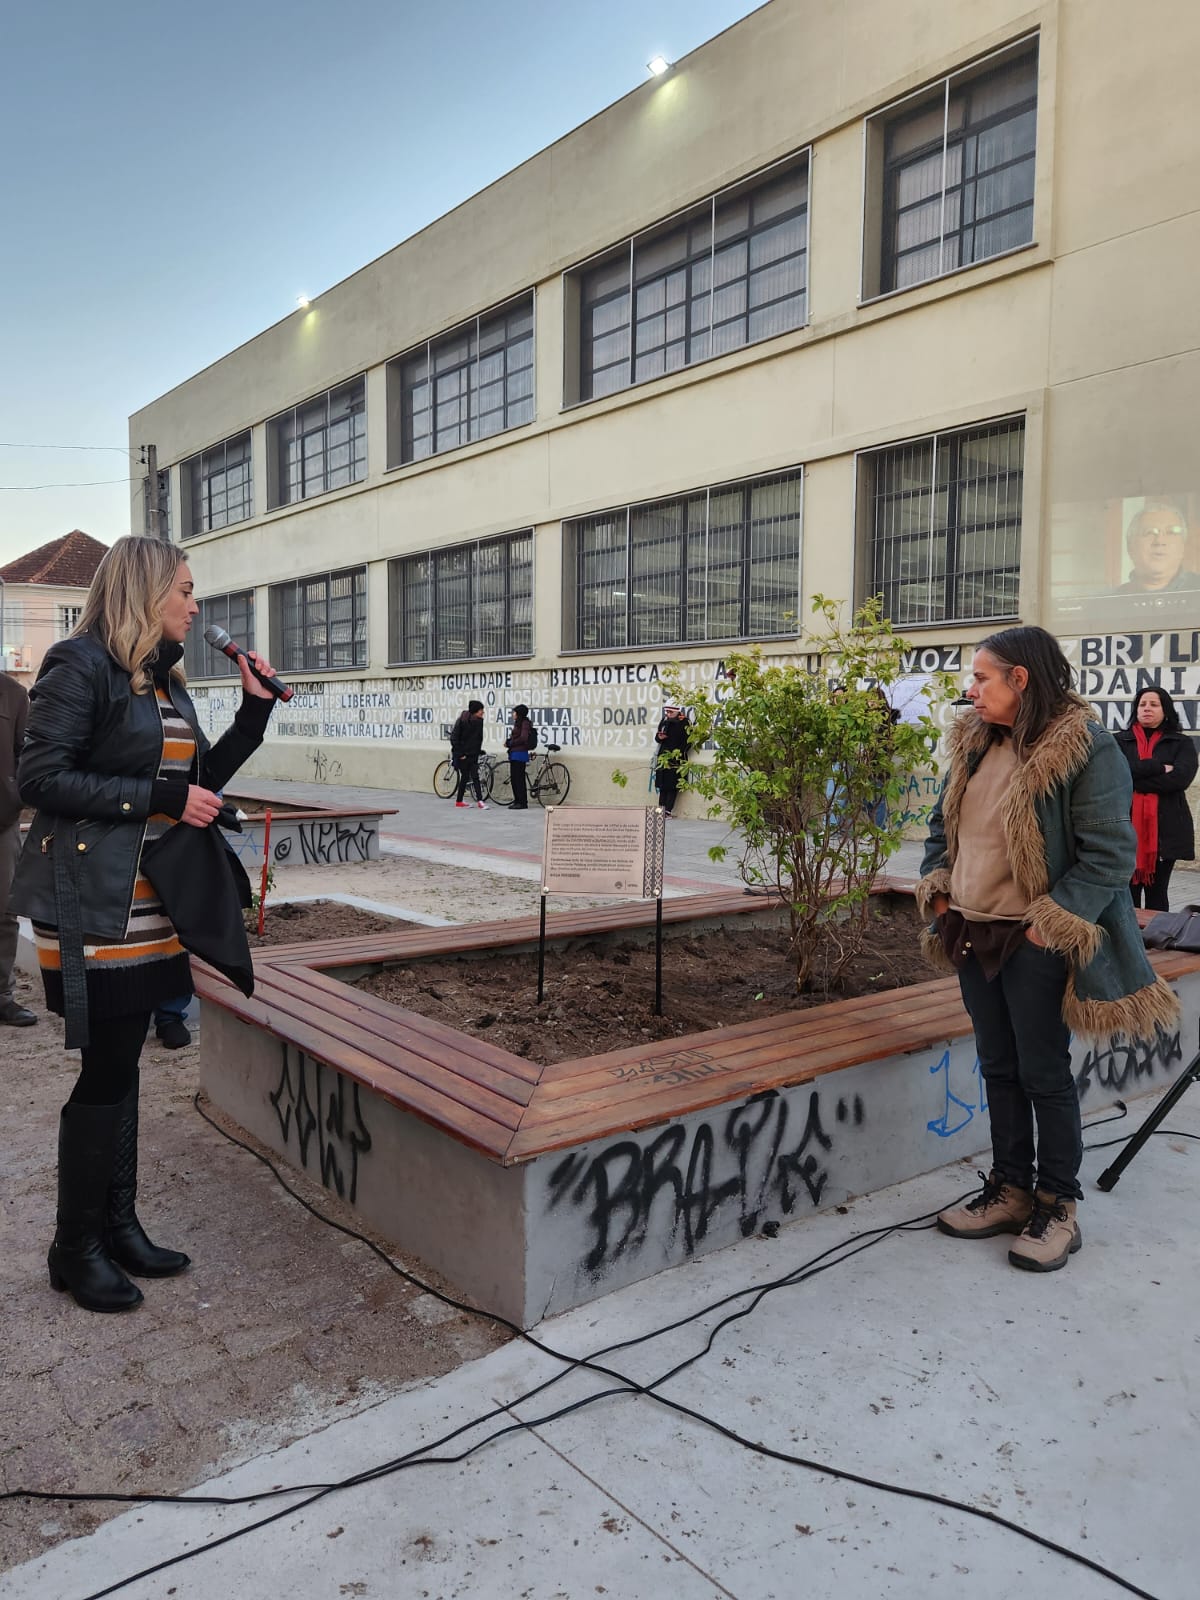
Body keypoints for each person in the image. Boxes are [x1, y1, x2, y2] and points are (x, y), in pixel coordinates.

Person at [9, 535, 278, 1313]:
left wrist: (253, 720)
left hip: (150, 902)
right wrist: (154, 800)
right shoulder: (78, 662)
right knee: (104, 1068)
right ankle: (74, 1247)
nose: (197, 606)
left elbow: (194, 787)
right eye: (186, 590)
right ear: (147, 589)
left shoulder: (161, 680)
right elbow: (40, 776)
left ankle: (119, 1225)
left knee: (125, 1063)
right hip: (95, 903)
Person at [919, 626, 1178, 1273]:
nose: (971, 690)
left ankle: (1058, 1206)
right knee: (997, 1067)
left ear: (1021, 679)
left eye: (982, 678)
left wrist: (1046, 927)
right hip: (972, 934)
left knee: (1043, 1074)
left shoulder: (1083, 748)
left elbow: (1110, 856)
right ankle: (1010, 1190)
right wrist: (943, 899)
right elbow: (938, 829)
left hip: (1032, 939)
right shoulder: (976, 743)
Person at [1115, 685, 1198, 911]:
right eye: (1142, 704)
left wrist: (1133, 777)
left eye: (1153, 704)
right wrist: (1157, 767)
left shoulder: (1181, 743)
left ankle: (1158, 944)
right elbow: (1113, 776)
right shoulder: (1118, 741)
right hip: (1124, 831)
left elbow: (1180, 779)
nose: (1147, 709)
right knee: (1125, 896)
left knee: (1158, 894)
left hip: (1166, 831)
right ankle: (1128, 944)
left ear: (1166, 710)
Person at [0, 669, 36, 1026]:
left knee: (5, 912)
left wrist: (14, 798)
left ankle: (2, 996)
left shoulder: (12, 692)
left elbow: (28, 754)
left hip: (2, 822)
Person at [1115, 503, 1200, 594]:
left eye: (1171, 532)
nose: (1159, 541)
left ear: (1183, 546)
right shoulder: (1111, 601)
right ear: (1130, 547)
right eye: (1149, 532)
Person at [653, 704, 690, 818]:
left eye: (670, 712)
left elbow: (688, 741)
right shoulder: (664, 721)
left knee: (672, 785)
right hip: (663, 756)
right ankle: (660, 809)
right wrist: (660, 737)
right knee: (662, 785)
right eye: (667, 712)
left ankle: (668, 811)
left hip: (676, 758)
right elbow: (657, 738)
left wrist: (679, 753)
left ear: (676, 711)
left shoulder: (684, 722)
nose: (668, 714)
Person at [450, 699, 487, 809]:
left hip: (473, 754)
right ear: (475, 711)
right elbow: (454, 738)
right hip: (463, 755)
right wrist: (460, 754)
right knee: (466, 777)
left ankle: (478, 801)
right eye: (481, 710)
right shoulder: (462, 721)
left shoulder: (479, 721)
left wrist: (478, 750)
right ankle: (461, 801)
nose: (483, 712)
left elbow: (477, 739)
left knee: (474, 777)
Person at [505, 703, 536, 809]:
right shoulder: (518, 723)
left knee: (519, 779)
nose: (513, 714)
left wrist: (511, 743)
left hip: (520, 754)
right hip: (514, 753)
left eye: (514, 712)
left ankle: (522, 802)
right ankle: (517, 800)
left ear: (518, 714)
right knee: (514, 778)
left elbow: (523, 738)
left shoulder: (525, 723)